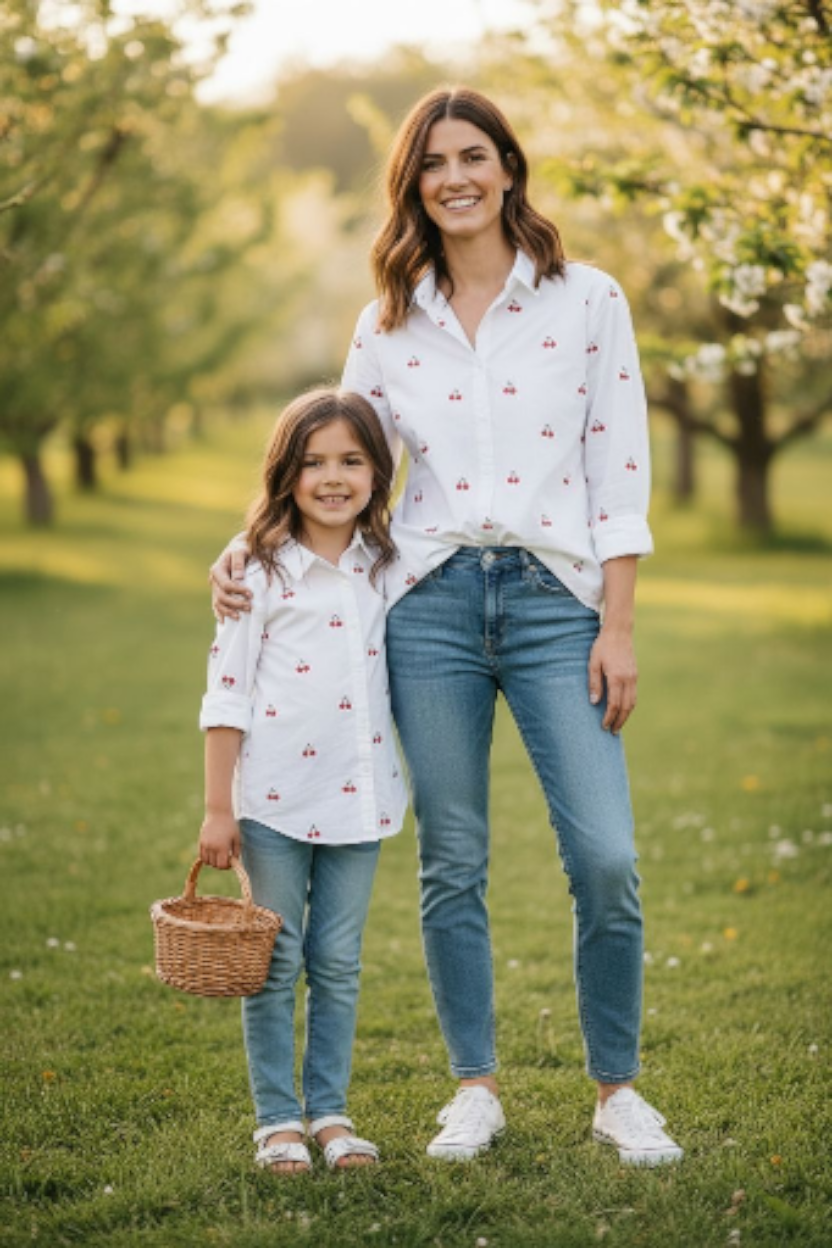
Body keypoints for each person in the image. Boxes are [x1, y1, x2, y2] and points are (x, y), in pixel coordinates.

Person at [212, 87, 682, 1167]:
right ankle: (474, 1086)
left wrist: (617, 624)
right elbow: (329, 463)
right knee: (452, 860)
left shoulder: (587, 300)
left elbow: (620, 471)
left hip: (555, 605)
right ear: (412, 184)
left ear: (509, 168)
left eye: (474, 155)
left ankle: (617, 1091)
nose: (455, 177)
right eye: (433, 163)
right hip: (422, 609)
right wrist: (243, 549)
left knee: (604, 856)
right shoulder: (386, 320)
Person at [199, 387, 407, 1174]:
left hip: (363, 799)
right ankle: (277, 1121)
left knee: (340, 962)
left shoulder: (388, 565)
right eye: (313, 461)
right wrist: (219, 809)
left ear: (377, 474)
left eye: (351, 461)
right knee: (276, 960)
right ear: (285, 473)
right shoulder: (255, 570)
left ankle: (330, 1112)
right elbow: (227, 692)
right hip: (275, 803)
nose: (332, 477)